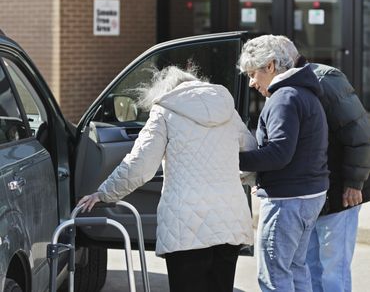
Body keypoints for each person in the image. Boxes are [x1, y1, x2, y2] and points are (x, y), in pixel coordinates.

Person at [78, 65, 256, 292]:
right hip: (229, 221)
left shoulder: (165, 111)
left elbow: (140, 164)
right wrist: (238, 177)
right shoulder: (227, 111)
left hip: (186, 228)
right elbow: (251, 152)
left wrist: (105, 193)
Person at [237, 34, 330, 292]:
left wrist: (232, 158)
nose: (252, 83)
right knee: (297, 269)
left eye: (252, 73)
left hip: (288, 201)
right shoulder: (303, 92)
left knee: (274, 276)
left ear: (270, 66)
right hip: (309, 195)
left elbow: (278, 154)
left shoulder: (284, 97)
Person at [281, 36, 370, 292]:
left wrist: (354, 184)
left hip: (340, 193)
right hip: (312, 195)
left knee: (334, 272)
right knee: (309, 270)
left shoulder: (325, 80)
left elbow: (360, 135)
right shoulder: (285, 87)